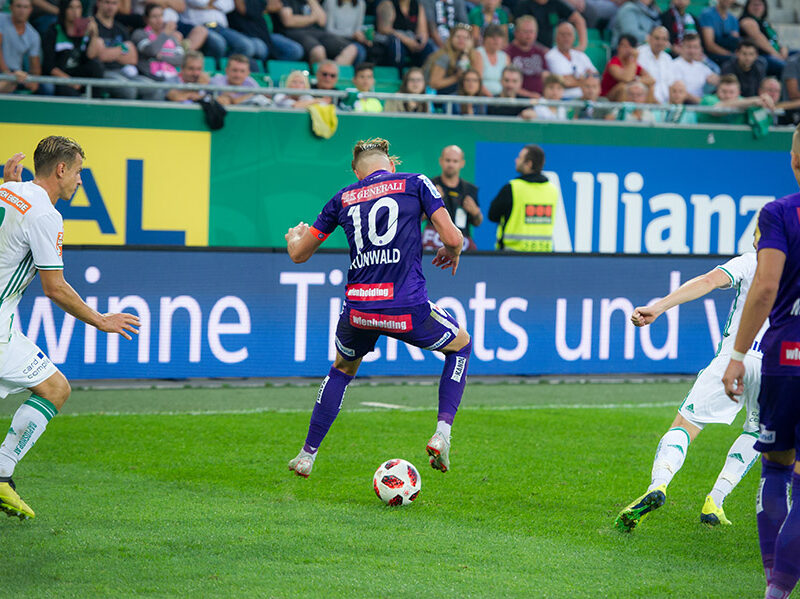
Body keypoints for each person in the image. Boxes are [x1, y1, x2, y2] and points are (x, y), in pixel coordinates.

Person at [285, 137, 472, 478]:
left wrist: (293, 238)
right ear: (392, 165)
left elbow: (299, 254)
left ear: (357, 173)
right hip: (406, 305)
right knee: (461, 345)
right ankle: (442, 434)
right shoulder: (415, 182)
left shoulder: (343, 198)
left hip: (359, 310)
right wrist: (453, 251)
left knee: (342, 369)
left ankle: (306, 455)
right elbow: (453, 238)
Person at [0, 139, 140, 520]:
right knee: (56, 389)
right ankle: (2, 472)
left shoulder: (8, 190)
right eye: (78, 172)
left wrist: (9, 184)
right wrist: (101, 320)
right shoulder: (46, 215)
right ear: (61, 169)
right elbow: (55, 287)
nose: (80, 181)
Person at [615, 241, 767, 532]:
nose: (754, 238)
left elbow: (708, 281)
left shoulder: (751, 262)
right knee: (756, 431)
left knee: (686, 424)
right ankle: (715, 501)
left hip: (735, 358)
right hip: (775, 367)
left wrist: (658, 307)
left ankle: (658, 485)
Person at [722, 125, 800, 599]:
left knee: (775, 468)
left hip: (786, 357)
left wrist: (737, 356)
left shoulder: (779, 213)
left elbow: (765, 287)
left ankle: (774, 589)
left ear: (794, 160)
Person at [488, 144, 557, 252]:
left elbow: (492, 215)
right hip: (544, 254)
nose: (516, 160)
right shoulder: (552, 190)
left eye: (520, 158)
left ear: (529, 164)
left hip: (512, 254)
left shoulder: (512, 188)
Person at [41, 0, 105, 96]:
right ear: (64, 10)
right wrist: (70, 81)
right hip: (59, 76)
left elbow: (90, 56)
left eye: (78, 7)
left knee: (96, 66)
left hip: (76, 73)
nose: (75, 11)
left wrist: (94, 34)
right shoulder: (54, 31)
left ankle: (96, 101)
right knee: (67, 92)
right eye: (71, 7)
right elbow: (49, 66)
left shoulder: (84, 30)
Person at [425, 144, 481, 251]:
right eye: (448, 160)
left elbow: (477, 222)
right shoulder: (429, 185)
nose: (451, 164)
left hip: (461, 240)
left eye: (455, 161)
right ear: (441, 161)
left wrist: (475, 212)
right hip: (433, 239)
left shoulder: (470, 189)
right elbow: (418, 217)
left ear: (462, 163)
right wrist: (432, 202)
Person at [276, 0, 359, 64]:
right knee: (318, 51)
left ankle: (332, 74)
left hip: (316, 32)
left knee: (351, 49)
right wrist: (312, 18)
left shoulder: (311, 1)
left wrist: (312, 1)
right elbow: (288, 21)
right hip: (294, 32)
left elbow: (322, 21)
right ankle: (322, 76)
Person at [131, 3, 184, 87]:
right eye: (154, 17)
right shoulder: (140, 34)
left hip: (172, 77)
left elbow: (181, 59)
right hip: (149, 78)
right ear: (146, 19)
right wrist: (165, 34)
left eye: (161, 16)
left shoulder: (172, 37)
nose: (159, 20)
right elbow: (152, 51)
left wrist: (160, 57)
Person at [374, 0, 434, 69]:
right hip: (392, 40)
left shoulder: (417, 6)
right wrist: (406, 40)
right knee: (397, 44)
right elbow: (384, 29)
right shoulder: (387, 4)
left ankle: (422, 73)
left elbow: (422, 31)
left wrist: (421, 42)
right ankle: (398, 73)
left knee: (427, 47)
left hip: (410, 40)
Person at [544, 21, 596, 100]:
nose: (566, 38)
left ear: (574, 38)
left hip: (585, 98)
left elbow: (596, 76)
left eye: (569, 34)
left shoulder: (581, 55)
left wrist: (576, 79)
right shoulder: (550, 56)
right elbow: (563, 82)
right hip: (564, 99)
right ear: (556, 37)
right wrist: (585, 79)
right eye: (563, 34)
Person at [697, 73, 774, 125]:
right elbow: (718, 109)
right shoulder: (708, 99)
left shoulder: (744, 101)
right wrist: (754, 100)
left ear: (738, 93)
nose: (727, 96)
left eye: (731, 92)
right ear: (717, 91)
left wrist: (764, 101)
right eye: (723, 91)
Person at [0, 0, 42, 94]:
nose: (22, 11)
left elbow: (35, 64)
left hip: (15, 73)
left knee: (45, 88)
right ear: (11, 8)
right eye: (18, 6)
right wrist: (7, 73)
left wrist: (33, 81)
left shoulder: (33, 35)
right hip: (7, 73)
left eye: (25, 7)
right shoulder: (1, 19)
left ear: (30, 10)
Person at [738, 0, 788, 78]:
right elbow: (759, 39)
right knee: (788, 68)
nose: (757, 7)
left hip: (775, 52)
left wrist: (783, 49)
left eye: (760, 5)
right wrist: (777, 55)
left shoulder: (764, 22)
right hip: (761, 56)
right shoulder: (747, 21)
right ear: (747, 6)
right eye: (754, 4)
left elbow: (773, 41)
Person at [512, 0, 587, 51]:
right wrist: (542, 50)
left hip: (550, 48)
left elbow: (579, 20)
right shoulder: (523, 5)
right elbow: (519, 33)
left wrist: (582, 45)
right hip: (530, 51)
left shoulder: (556, 3)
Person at [600, 33, 653, 101]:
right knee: (623, 87)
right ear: (618, 47)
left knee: (649, 87)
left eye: (630, 46)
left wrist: (636, 80)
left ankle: (649, 107)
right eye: (624, 46)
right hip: (608, 97)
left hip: (628, 93)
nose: (627, 49)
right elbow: (627, 79)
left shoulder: (633, 64)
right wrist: (634, 59)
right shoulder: (613, 63)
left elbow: (651, 80)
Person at [427, 23, 477, 95]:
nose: (461, 40)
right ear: (451, 38)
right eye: (458, 37)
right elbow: (434, 83)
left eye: (465, 38)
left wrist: (465, 53)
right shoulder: (444, 56)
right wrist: (456, 77)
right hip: (436, 95)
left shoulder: (470, 56)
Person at [504, 15, 547, 98]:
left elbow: (546, 76)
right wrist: (529, 95)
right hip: (517, 99)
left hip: (540, 98)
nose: (529, 35)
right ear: (516, 32)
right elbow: (507, 82)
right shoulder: (508, 52)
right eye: (525, 31)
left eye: (531, 32)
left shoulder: (540, 52)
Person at [672, 32, 719, 103]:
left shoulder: (702, 66)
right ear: (682, 47)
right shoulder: (674, 65)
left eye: (695, 47)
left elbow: (716, 80)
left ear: (700, 49)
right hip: (685, 104)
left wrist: (715, 80)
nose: (692, 51)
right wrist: (702, 102)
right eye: (689, 47)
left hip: (700, 104)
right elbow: (679, 91)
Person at [636, 26, 675, 104]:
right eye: (657, 38)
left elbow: (671, 84)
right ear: (649, 38)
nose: (660, 42)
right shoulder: (639, 53)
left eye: (664, 39)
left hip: (665, 104)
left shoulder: (668, 58)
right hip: (644, 103)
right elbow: (636, 81)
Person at [324, 0, 369, 65]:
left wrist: (364, 37)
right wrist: (352, 34)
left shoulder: (361, 3)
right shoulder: (330, 2)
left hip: (352, 40)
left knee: (361, 52)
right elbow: (329, 30)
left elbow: (358, 29)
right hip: (333, 38)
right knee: (354, 50)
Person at [699, 0, 739, 67]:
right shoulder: (707, 14)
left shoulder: (733, 19)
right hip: (712, 54)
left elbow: (735, 42)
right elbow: (709, 45)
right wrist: (730, 55)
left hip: (727, 52)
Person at [473, 23, 508, 97]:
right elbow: (477, 81)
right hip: (482, 96)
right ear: (485, 39)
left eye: (499, 37)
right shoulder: (478, 53)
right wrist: (492, 98)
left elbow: (507, 80)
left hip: (501, 97)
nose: (496, 40)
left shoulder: (505, 56)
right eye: (492, 37)